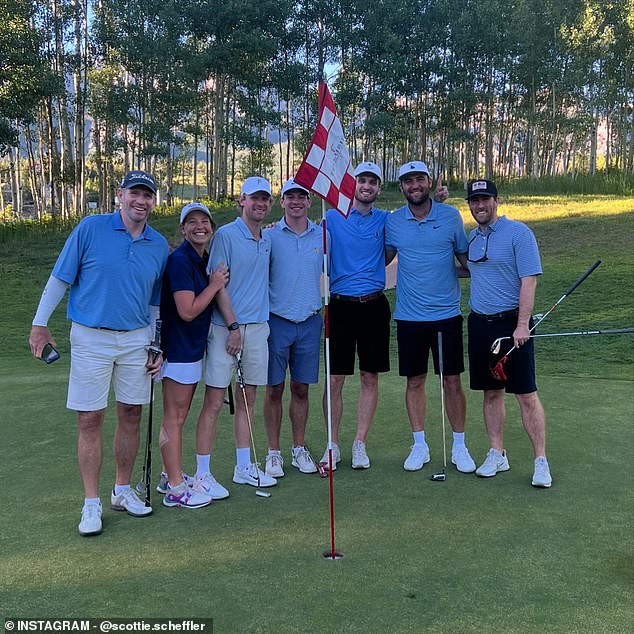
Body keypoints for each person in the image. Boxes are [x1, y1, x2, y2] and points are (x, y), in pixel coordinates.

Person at [29, 170, 169, 536]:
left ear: (154, 200)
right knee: (90, 418)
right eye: (135, 193)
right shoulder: (91, 228)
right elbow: (60, 278)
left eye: (148, 195)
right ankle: (91, 503)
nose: (141, 201)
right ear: (120, 195)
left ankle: (121, 491)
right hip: (91, 337)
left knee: (131, 414)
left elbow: (155, 302)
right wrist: (40, 324)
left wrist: (157, 342)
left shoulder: (157, 244)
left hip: (137, 338)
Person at [385, 161, 476, 474]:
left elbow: (468, 261)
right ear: (402, 187)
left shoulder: (450, 216)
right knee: (415, 381)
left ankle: (459, 446)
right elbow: (378, 260)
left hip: (446, 315)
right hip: (409, 317)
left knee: (451, 381)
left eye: (419, 179)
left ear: (429, 181)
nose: (415, 185)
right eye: (408, 181)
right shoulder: (394, 222)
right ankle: (420, 445)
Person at [465, 179, 552, 487]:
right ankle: (497, 453)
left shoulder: (519, 233)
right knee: (491, 393)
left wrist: (521, 325)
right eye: (474, 201)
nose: (480, 206)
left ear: (496, 201)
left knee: (526, 394)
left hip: (512, 325)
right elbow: (467, 269)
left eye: (485, 199)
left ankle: (540, 460)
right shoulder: (472, 238)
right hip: (480, 324)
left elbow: (529, 280)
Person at [194, 176, 277, 492]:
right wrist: (233, 328)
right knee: (214, 400)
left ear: (269, 204)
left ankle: (244, 466)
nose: (259, 203)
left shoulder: (266, 239)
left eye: (264, 199)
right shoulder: (226, 236)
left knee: (248, 399)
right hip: (225, 329)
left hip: (258, 329)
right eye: (253, 198)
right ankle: (202, 473)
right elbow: (219, 286)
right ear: (242, 200)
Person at [157, 202, 232, 509]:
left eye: (205, 221)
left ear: (211, 228)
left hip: (189, 349)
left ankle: (167, 475)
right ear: (182, 228)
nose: (200, 226)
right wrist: (215, 285)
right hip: (179, 349)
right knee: (174, 417)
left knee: (179, 416)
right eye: (192, 222)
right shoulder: (180, 261)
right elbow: (187, 311)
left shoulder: (199, 259)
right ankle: (175, 488)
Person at [319, 162, 392, 470]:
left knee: (369, 375)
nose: (367, 185)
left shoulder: (387, 220)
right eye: (362, 180)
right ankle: (332, 444)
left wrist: (439, 200)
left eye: (372, 181)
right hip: (341, 306)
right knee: (335, 378)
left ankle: (359, 442)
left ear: (378, 188)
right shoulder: (331, 216)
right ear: (353, 183)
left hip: (374, 305)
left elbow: (395, 247)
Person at [263, 179, 323, 477]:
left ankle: (298, 449)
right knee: (274, 388)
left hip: (310, 321)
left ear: (309, 202)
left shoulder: (322, 235)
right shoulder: (270, 236)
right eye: (291, 197)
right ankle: (273, 453)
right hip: (278, 321)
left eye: (302, 197)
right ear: (282, 201)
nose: (296, 201)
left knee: (301, 389)